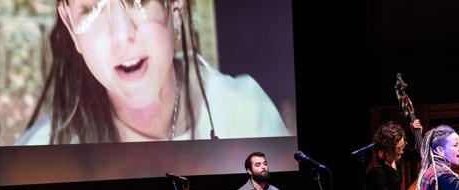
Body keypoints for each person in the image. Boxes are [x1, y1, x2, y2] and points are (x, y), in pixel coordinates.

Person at [16, 0, 288, 145]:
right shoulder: (45, 151)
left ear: (177, 5)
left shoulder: (246, 113)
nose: (122, 35)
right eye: (91, 9)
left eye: (139, 1)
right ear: (69, 23)